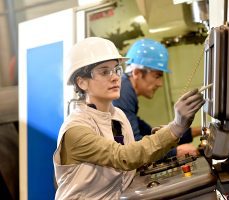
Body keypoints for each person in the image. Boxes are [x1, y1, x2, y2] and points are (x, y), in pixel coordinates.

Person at [53, 37, 205, 199]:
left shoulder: (118, 116)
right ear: (82, 82)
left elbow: (135, 159)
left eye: (116, 70)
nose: (115, 77)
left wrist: (171, 135)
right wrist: (175, 127)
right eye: (104, 71)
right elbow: (125, 157)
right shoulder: (75, 130)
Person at [113, 38, 202, 159]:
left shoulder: (126, 91)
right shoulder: (123, 94)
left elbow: (151, 135)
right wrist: (176, 152)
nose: (160, 83)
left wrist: (199, 130)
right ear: (137, 73)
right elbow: (135, 146)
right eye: (157, 76)